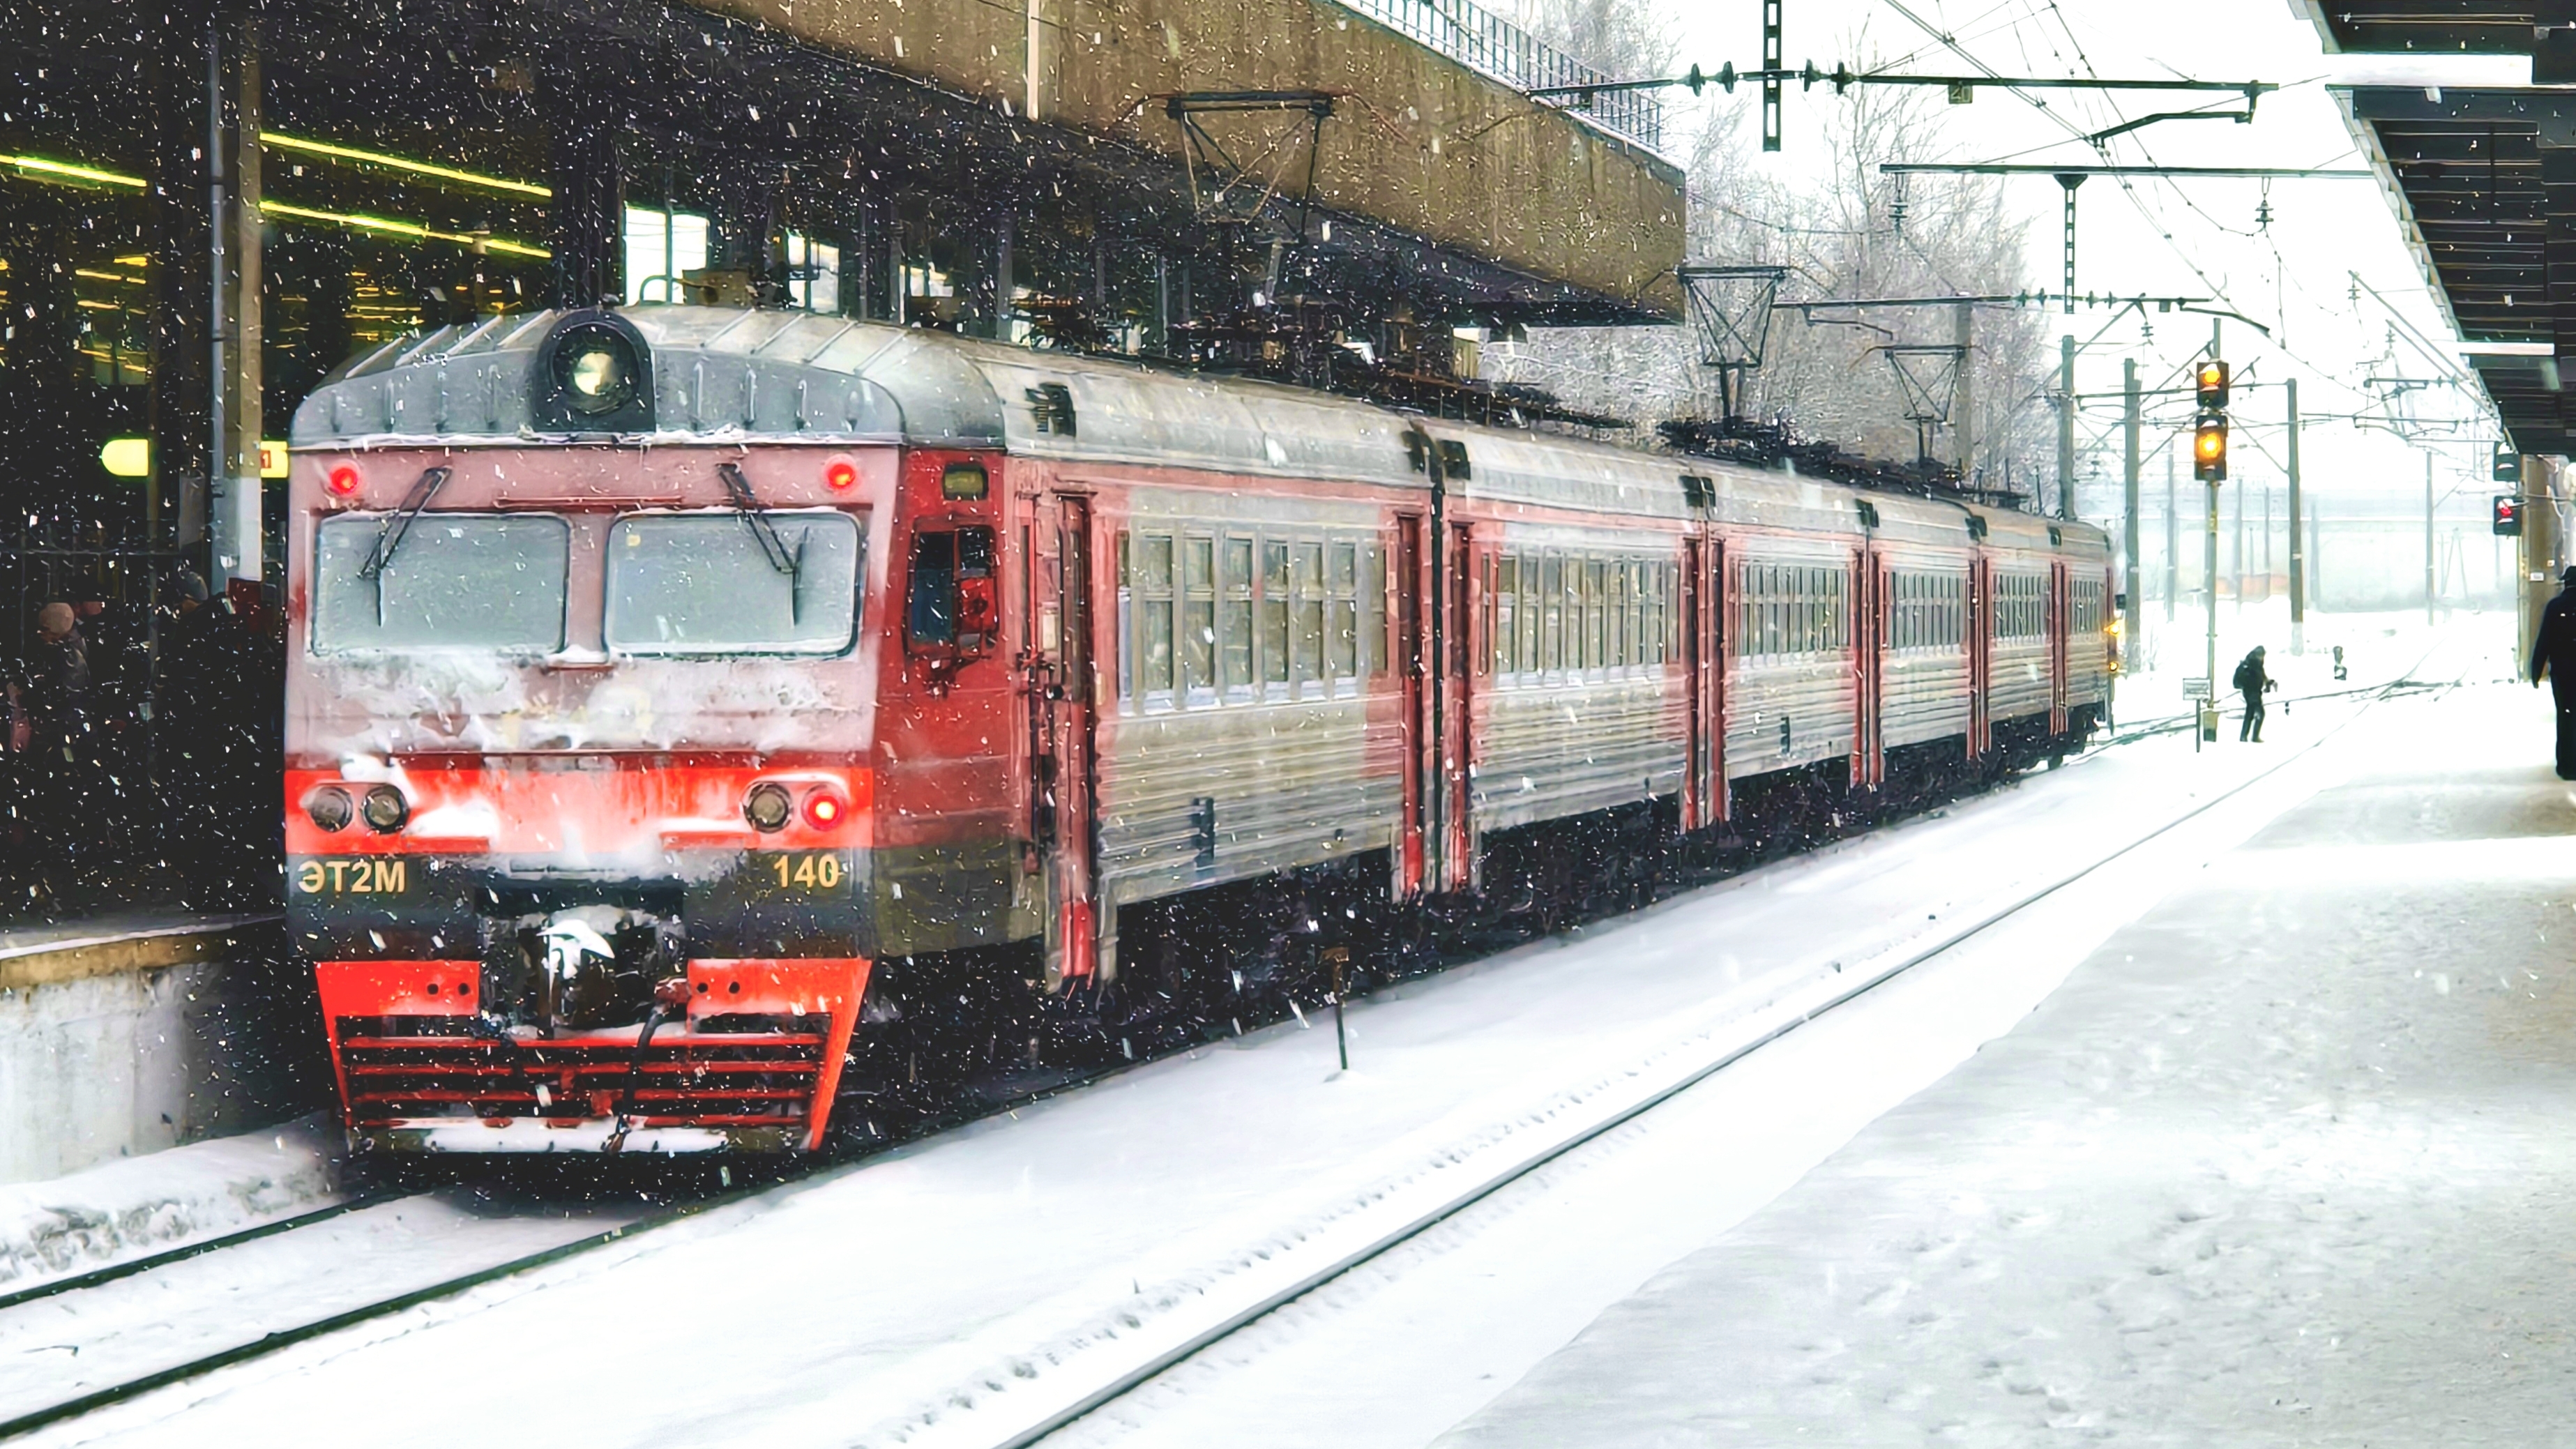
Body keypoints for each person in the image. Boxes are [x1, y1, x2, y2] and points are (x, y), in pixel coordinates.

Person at [2529, 566, 2576, 778]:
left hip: (2563, 673)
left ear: (2565, 583)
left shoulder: (2555, 607)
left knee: (2565, 718)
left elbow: (2544, 640)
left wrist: (2536, 670)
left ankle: (2566, 766)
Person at [2233, 645, 2278, 743]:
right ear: (2260, 655)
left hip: (2249, 692)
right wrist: (2267, 684)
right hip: (2253, 693)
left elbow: (2263, 678)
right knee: (2260, 713)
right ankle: (2254, 737)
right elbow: (2259, 678)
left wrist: (2271, 683)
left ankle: (2244, 736)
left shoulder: (2251, 663)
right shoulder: (2255, 664)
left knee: (2250, 714)